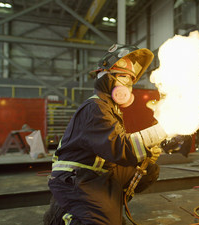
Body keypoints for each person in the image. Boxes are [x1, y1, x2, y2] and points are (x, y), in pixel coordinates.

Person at [44, 44, 169, 225]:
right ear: (106, 77)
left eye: (131, 80)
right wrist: (163, 129)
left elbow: (121, 148)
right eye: (124, 77)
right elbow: (120, 148)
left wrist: (148, 150)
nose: (128, 85)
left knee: (147, 168)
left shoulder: (110, 109)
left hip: (97, 174)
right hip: (77, 179)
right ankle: (64, 216)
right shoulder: (95, 108)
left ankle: (107, 205)